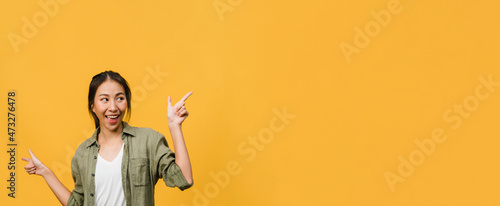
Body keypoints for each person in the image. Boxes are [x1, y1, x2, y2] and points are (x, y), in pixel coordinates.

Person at [22, 71, 194, 206]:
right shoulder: (83, 153)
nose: (113, 107)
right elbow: (77, 204)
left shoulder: (148, 140)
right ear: (93, 106)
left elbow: (184, 179)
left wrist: (174, 126)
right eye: (104, 99)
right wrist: (45, 172)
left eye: (120, 98)